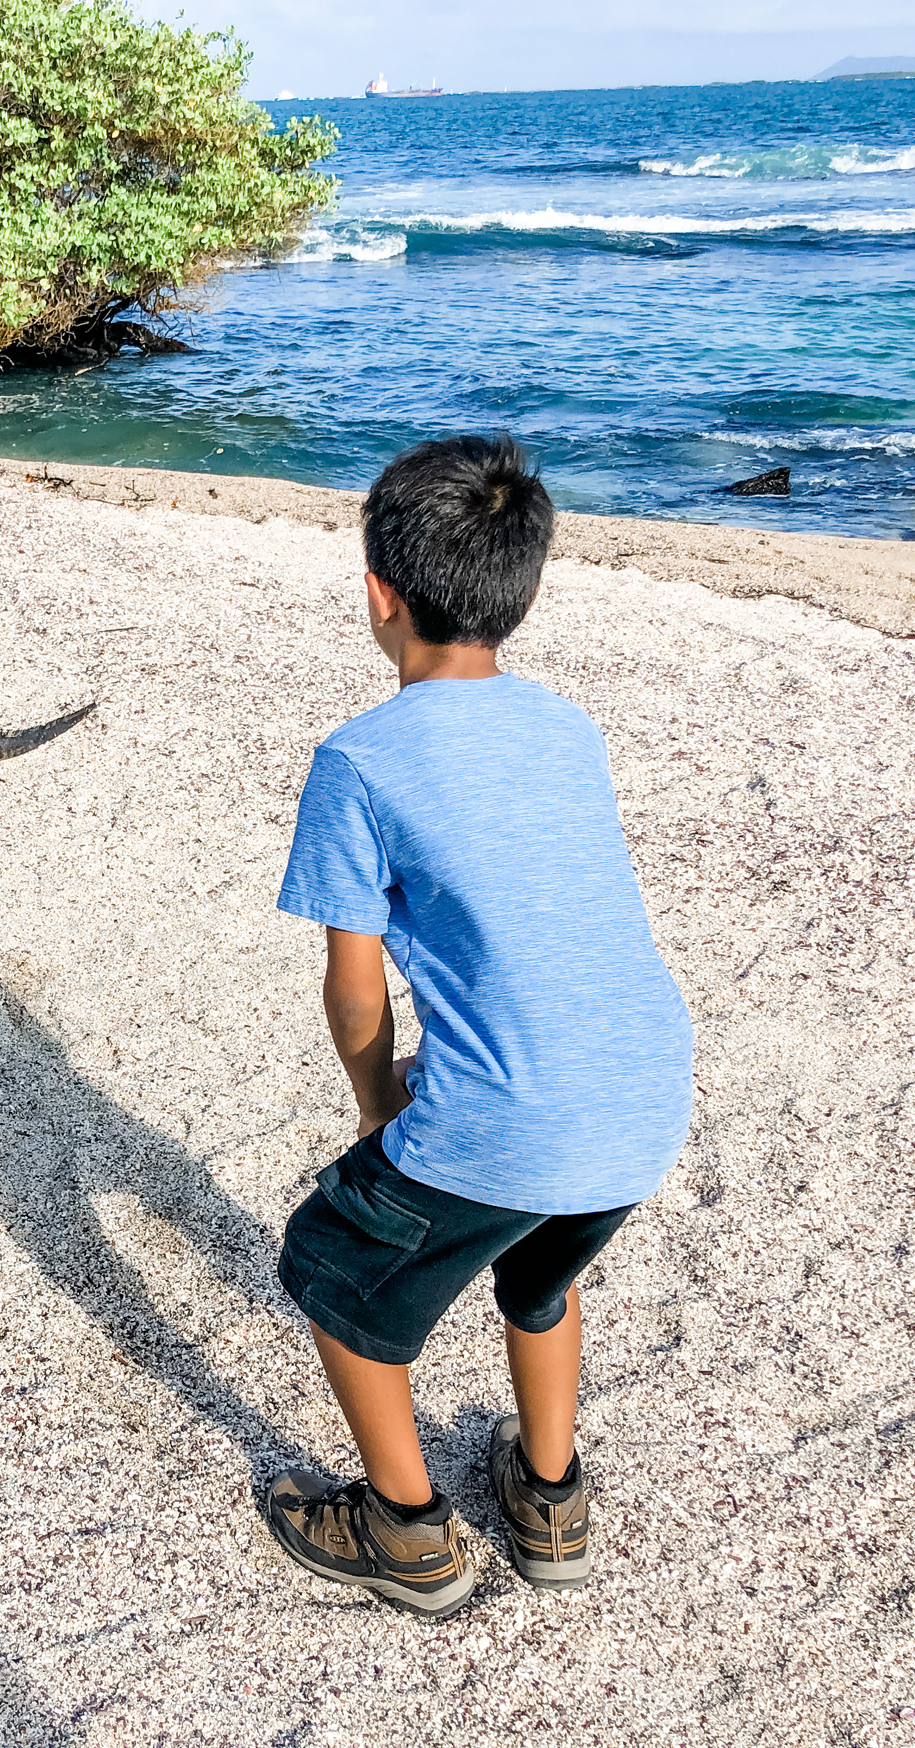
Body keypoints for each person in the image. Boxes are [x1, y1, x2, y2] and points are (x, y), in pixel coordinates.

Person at [262, 435, 694, 1621]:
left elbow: (358, 992)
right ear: (526, 589)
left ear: (378, 595)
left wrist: (375, 1110)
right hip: (645, 1093)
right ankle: (549, 1496)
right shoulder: (566, 726)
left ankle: (404, 1533)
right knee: (539, 1270)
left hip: (509, 1113)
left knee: (334, 1274)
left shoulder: (358, 760)